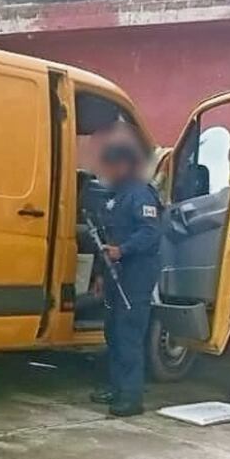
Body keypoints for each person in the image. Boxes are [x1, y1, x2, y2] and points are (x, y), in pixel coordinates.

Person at [88, 121, 162, 417]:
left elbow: (149, 233)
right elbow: (106, 238)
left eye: (112, 164)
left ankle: (131, 398)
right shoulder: (115, 196)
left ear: (126, 164)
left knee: (129, 334)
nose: (108, 170)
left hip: (136, 274)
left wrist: (123, 251)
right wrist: (99, 275)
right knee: (114, 332)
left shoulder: (141, 195)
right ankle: (117, 386)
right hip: (115, 274)